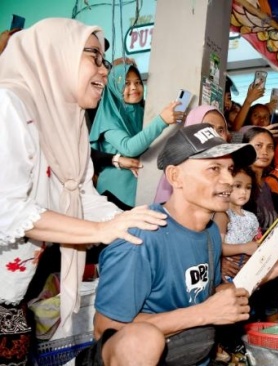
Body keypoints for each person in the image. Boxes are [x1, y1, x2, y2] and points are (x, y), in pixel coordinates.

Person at [0, 18, 166, 364]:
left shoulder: (67, 119)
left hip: (12, 298)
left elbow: (80, 197)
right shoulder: (8, 105)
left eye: (105, 60)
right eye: (94, 56)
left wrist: (134, 222)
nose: (104, 71)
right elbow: (7, 210)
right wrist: (101, 231)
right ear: (55, 55)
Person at [86, 124, 278, 365]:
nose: (228, 180)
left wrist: (260, 276)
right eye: (214, 169)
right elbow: (107, 329)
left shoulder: (209, 233)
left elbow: (210, 296)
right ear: (175, 176)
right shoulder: (141, 238)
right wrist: (202, 314)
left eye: (230, 168)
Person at [89, 63, 183, 208]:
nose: (134, 87)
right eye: (126, 83)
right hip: (116, 193)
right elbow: (129, 148)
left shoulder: (141, 111)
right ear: (115, 87)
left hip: (141, 189)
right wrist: (162, 120)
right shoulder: (109, 117)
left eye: (138, 82)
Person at [153, 105, 230, 204]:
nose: (215, 136)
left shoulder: (228, 165)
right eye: (207, 130)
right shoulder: (178, 170)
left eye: (220, 130)